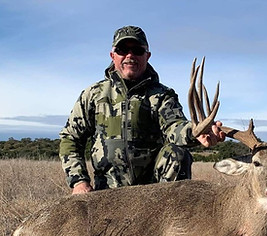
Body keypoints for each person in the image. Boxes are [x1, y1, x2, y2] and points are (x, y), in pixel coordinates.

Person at [59, 25, 225, 194]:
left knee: (178, 153)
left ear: (147, 56)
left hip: (152, 194)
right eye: (122, 50)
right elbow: (70, 138)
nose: (130, 56)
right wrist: (79, 181)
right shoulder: (94, 95)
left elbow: (174, 127)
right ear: (112, 55)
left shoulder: (161, 95)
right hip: (107, 194)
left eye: (137, 50)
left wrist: (195, 132)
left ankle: (173, 215)